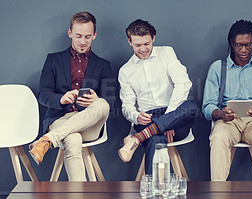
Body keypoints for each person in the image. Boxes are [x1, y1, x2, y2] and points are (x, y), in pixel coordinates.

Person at [29, 11, 113, 181]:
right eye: (78, 36)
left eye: (88, 37)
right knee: (73, 138)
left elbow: (111, 100)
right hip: (61, 119)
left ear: (94, 35)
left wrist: (96, 100)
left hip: (90, 124)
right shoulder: (53, 60)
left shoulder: (104, 65)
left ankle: (47, 140)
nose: (83, 41)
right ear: (70, 33)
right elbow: (43, 94)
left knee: (103, 104)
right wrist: (60, 99)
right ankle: (78, 194)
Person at [202, 20, 252, 181]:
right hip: (228, 122)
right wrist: (220, 113)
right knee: (218, 138)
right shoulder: (217, 68)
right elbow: (207, 106)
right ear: (232, 44)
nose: (244, 50)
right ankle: (218, 192)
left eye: (248, 45)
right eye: (239, 45)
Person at [118, 19, 197, 174]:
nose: (143, 49)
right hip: (147, 120)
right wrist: (136, 116)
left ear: (153, 38)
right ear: (129, 42)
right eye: (137, 45)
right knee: (155, 140)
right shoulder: (125, 71)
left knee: (191, 107)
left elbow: (183, 83)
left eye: (146, 44)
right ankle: (157, 193)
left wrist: (169, 119)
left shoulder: (166, 53)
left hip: (175, 115)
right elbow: (127, 107)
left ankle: (136, 139)